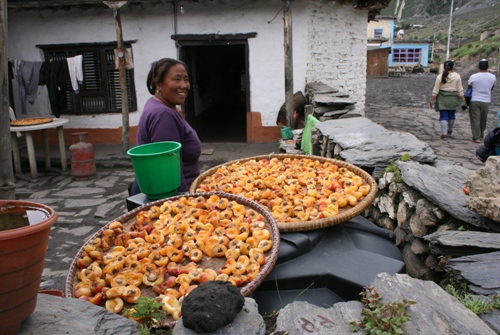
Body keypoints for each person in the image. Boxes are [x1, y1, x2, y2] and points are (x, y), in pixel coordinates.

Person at [130, 58, 201, 196]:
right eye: (177, 79)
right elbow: (169, 170)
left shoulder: (161, 106)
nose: (184, 85)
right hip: (168, 196)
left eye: (186, 79)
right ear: (158, 84)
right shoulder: (163, 114)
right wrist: (185, 202)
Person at [429, 60, 465, 140]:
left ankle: (444, 134)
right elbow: (460, 89)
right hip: (453, 98)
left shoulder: (440, 76)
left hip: (443, 98)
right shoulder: (457, 76)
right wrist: (463, 99)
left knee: (443, 116)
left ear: (444, 67)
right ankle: (450, 130)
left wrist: (432, 100)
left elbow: (436, 90)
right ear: (453, 67)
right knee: (452, 115)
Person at [467, 59, 496, 143]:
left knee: (475, 119)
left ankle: (476, 137)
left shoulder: (473, 76)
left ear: (478, 66)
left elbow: (469, 87)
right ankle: (481, 135)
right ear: (487, 67)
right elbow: (491, 88)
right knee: (483, 118)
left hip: (475, 99)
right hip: (486, 100)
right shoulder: (492, 77)